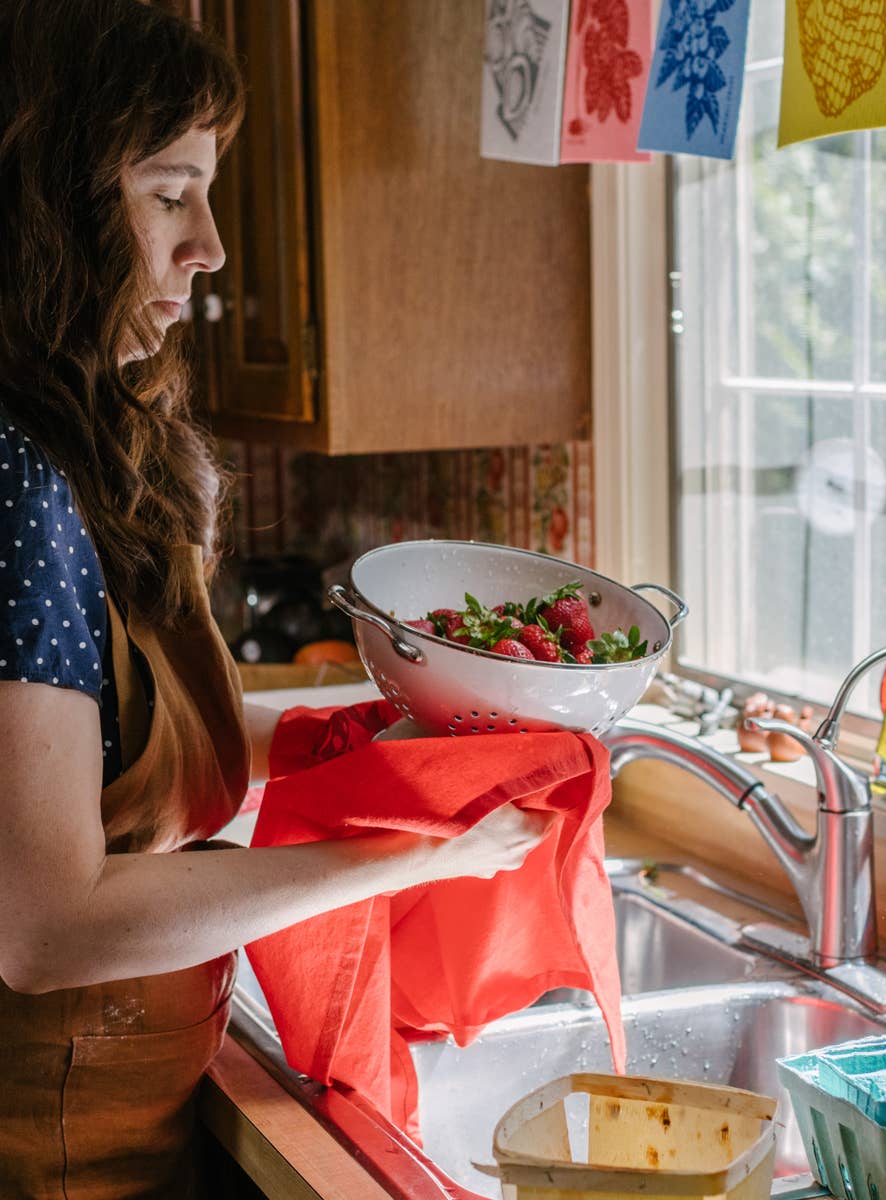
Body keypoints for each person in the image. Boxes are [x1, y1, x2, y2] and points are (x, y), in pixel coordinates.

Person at [0, 3, 553, 1195]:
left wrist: (361, 732)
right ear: (51, 204)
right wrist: (415, 855)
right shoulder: (13, 481)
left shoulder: (75, 445)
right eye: (168, 193)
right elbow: (48, 927)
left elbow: (122, 750)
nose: (209, 246)